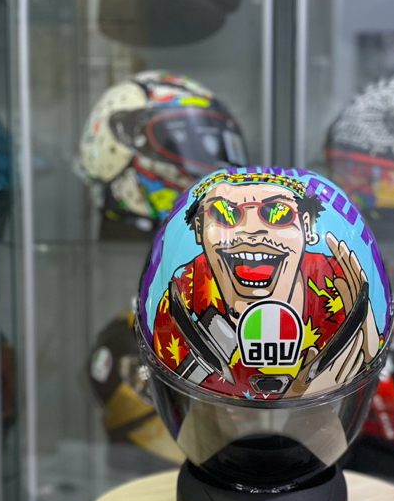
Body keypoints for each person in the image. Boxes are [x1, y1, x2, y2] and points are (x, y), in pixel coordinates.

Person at [151, 170, 382, 399]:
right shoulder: (185, 293)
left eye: (278, 214)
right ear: (200, 229)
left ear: (306, 226)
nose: (252, 230)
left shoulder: (340, 284)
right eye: (225, 214)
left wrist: (370, 350)